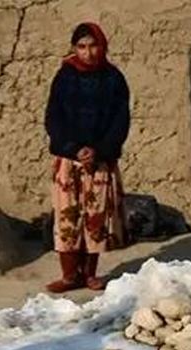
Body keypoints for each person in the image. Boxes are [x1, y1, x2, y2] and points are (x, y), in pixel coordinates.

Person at [43, 22, 131, 292]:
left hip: (100, 160)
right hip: (69, 161)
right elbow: (53, 118)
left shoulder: (114, 79)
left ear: (102, 46)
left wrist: (99, 150)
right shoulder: (64, 77)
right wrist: (73, 149)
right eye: (82, 47)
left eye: (93, 46)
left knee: (96, 217)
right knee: (68, 216)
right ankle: (70, 276)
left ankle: (90, 273)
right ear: (74, 48)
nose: (88, 52)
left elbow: (120, 121)